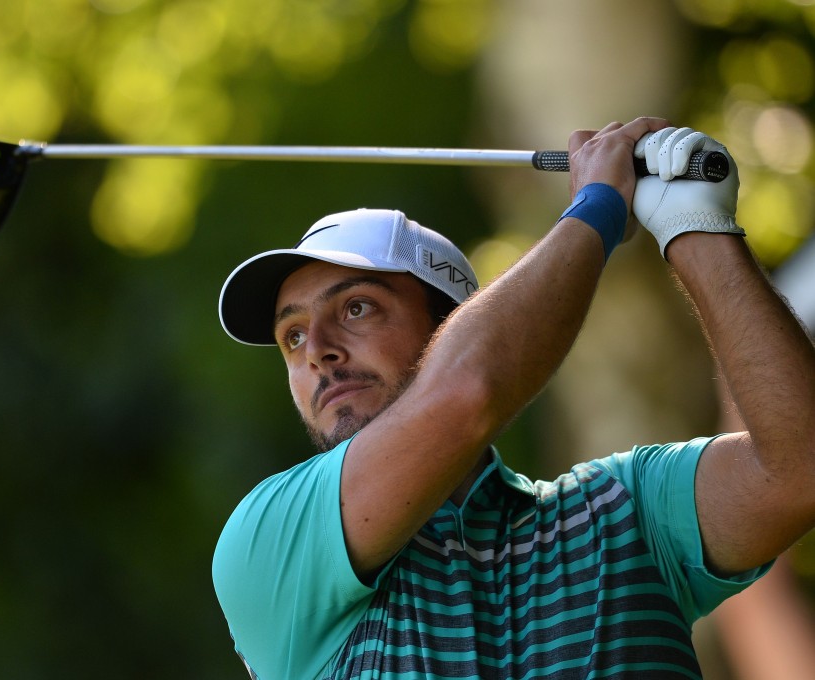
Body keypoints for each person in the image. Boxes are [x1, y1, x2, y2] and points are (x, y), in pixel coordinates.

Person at [211, 117, 815, 679]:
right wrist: (599, 205)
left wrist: (696, 228)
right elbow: (465, 396)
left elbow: (798, 472)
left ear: (452, 326)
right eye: (291, 336)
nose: (316, 349)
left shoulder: (627, 510)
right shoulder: (269, 539)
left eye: (357, 307)